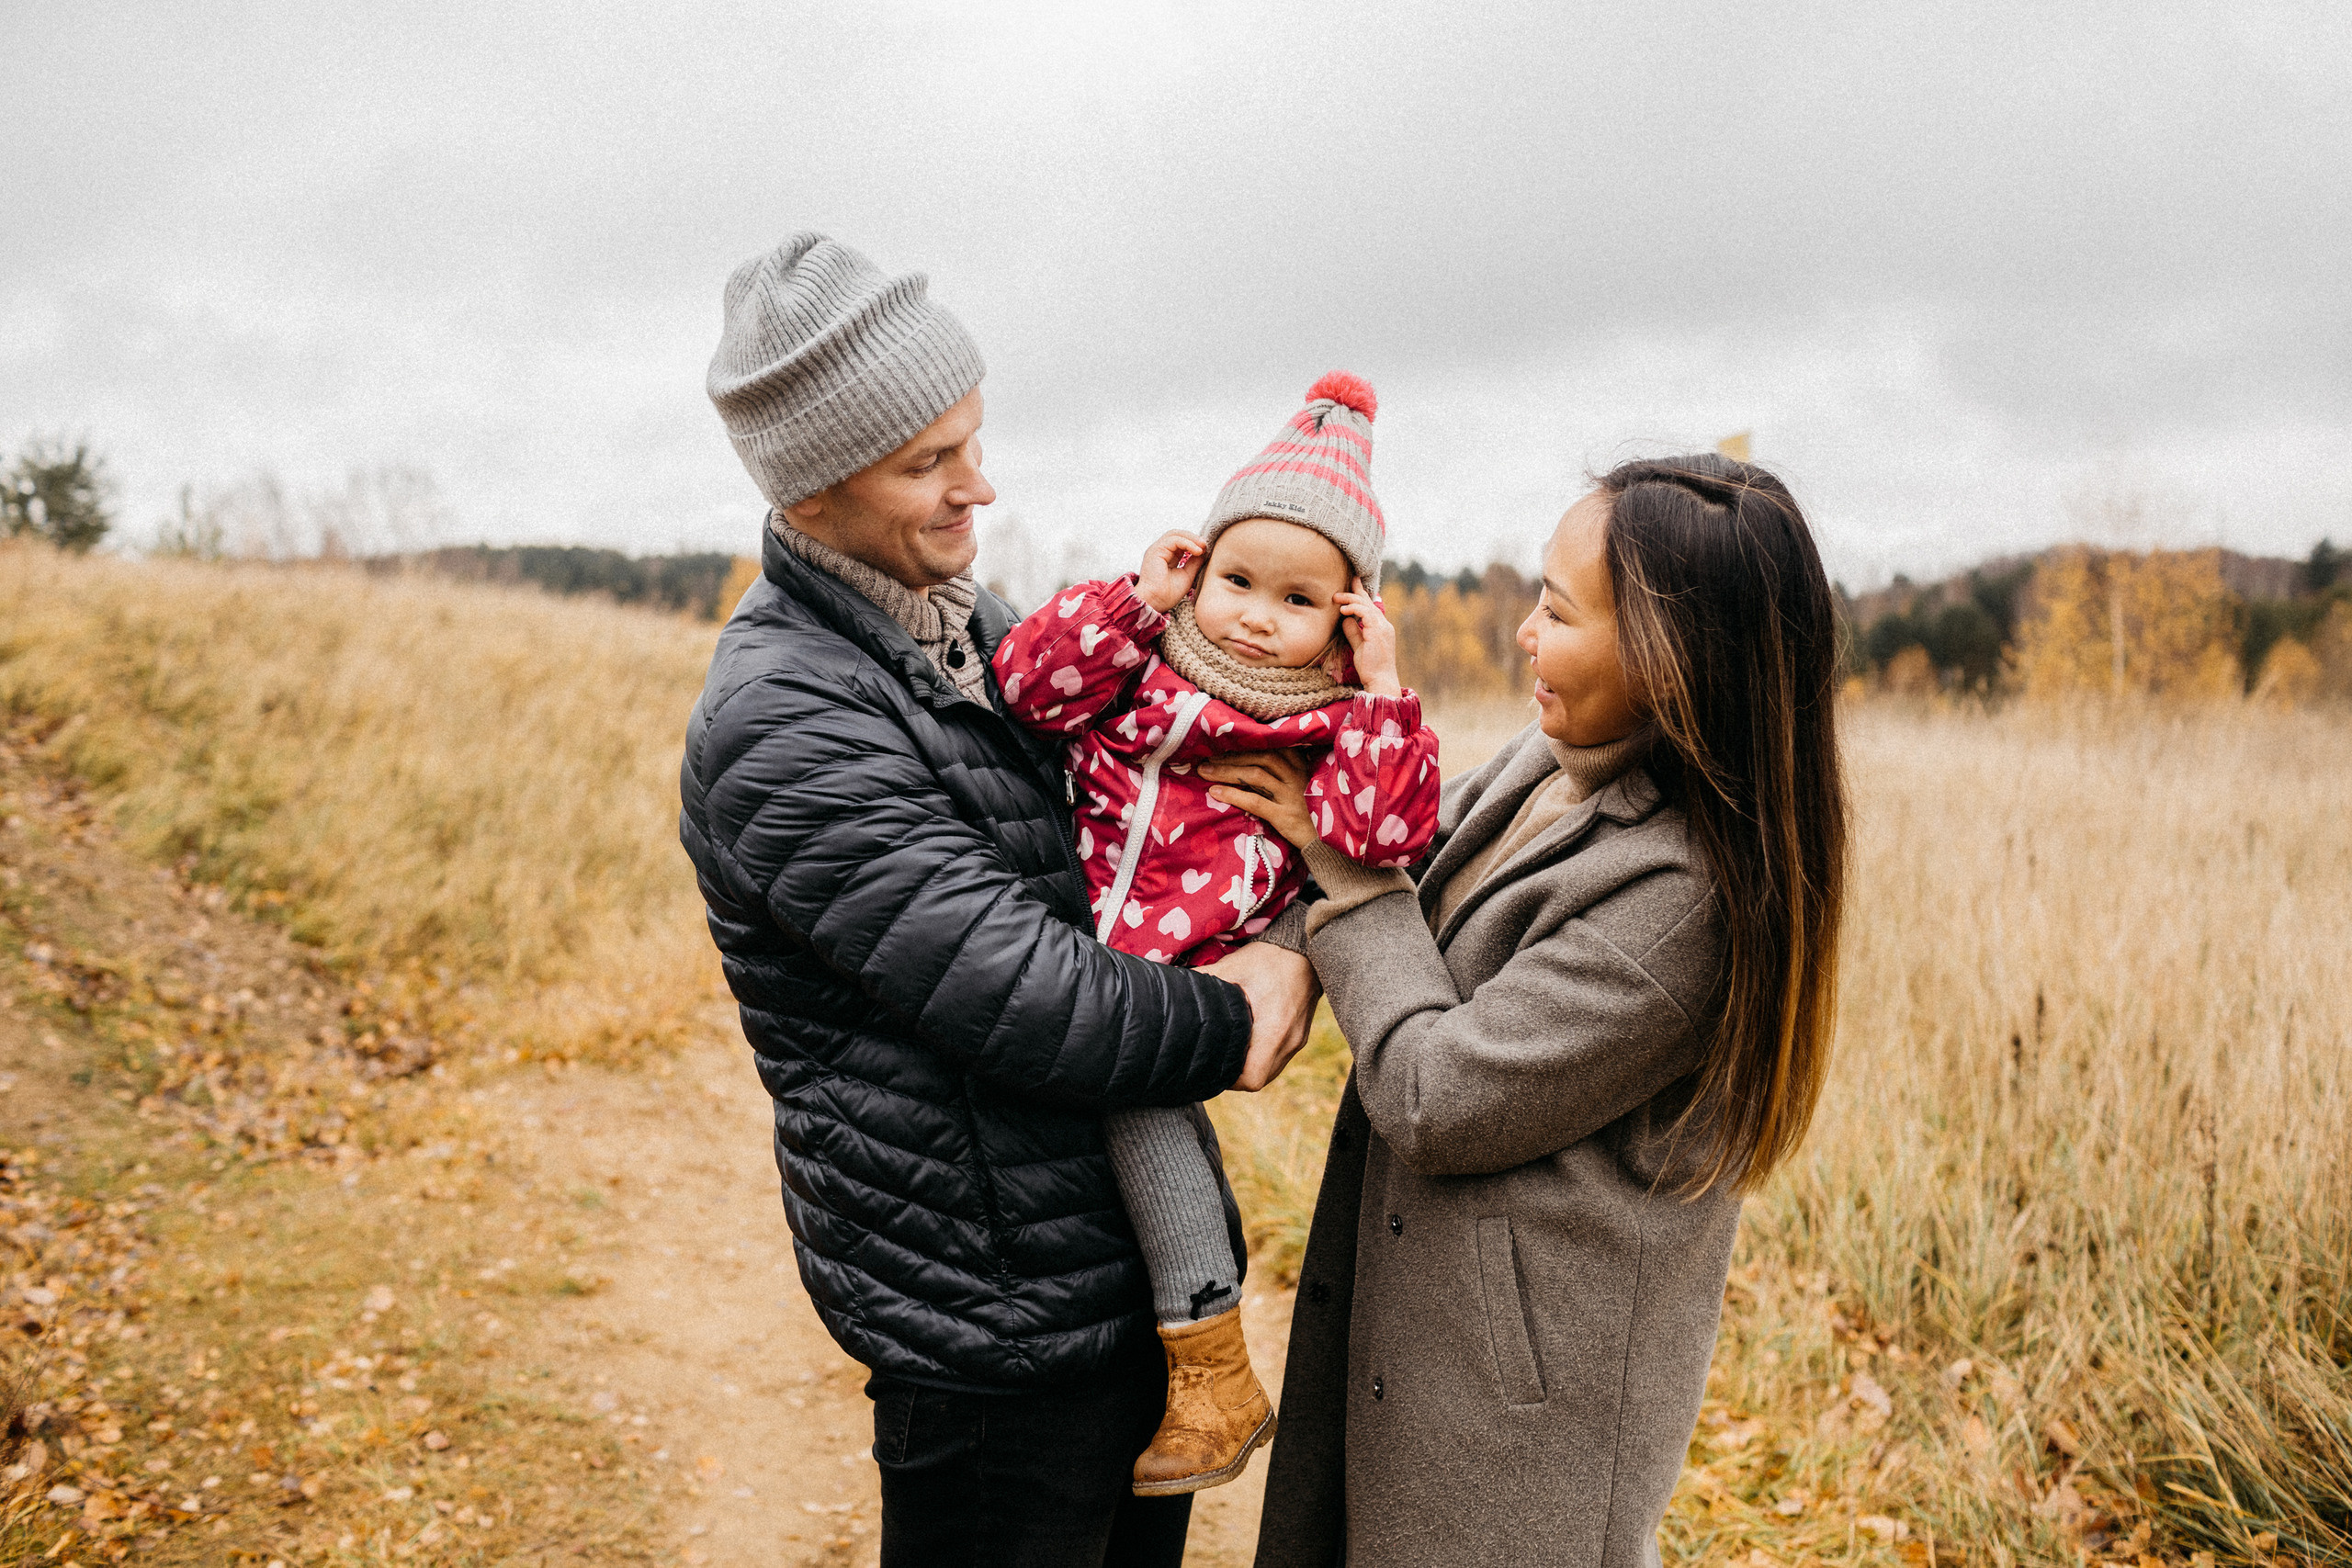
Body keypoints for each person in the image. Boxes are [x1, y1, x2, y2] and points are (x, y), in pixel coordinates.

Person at [676, 231, 1318, 1568]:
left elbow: (1150, 774)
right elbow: (1030, 993)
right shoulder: (780, 720)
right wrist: (1243, 1005)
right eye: (928, 462)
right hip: (991, 1323)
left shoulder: (964, 624)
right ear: (810, 484)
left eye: (972, 439)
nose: (980, 484)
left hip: (1103, 1285)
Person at [1204, 455, 1849, 1568]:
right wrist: (1283, 933)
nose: (1523, 633)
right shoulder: (1550, 764)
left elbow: (1438, 1092)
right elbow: (1396, 864)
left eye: (1556, 610)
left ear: (1670, 661)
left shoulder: (1680, 901)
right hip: (1417, 1338)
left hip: (1513, 1434)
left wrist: (1337, 869)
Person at [989, 373, 1441, 1496]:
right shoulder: (1137, 661)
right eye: (1236, 580)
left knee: (1136, 1103)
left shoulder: (1329, 722)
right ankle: (1149, 1344)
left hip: (1185, 963)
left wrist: (1381, 692)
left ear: (1344, 616)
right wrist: (1134, 600)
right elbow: (1026, 689)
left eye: (1295, 601)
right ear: (1201, 570)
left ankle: (1211, 1357)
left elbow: (1383, 835)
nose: (1252, 613)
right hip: (1069, 929)